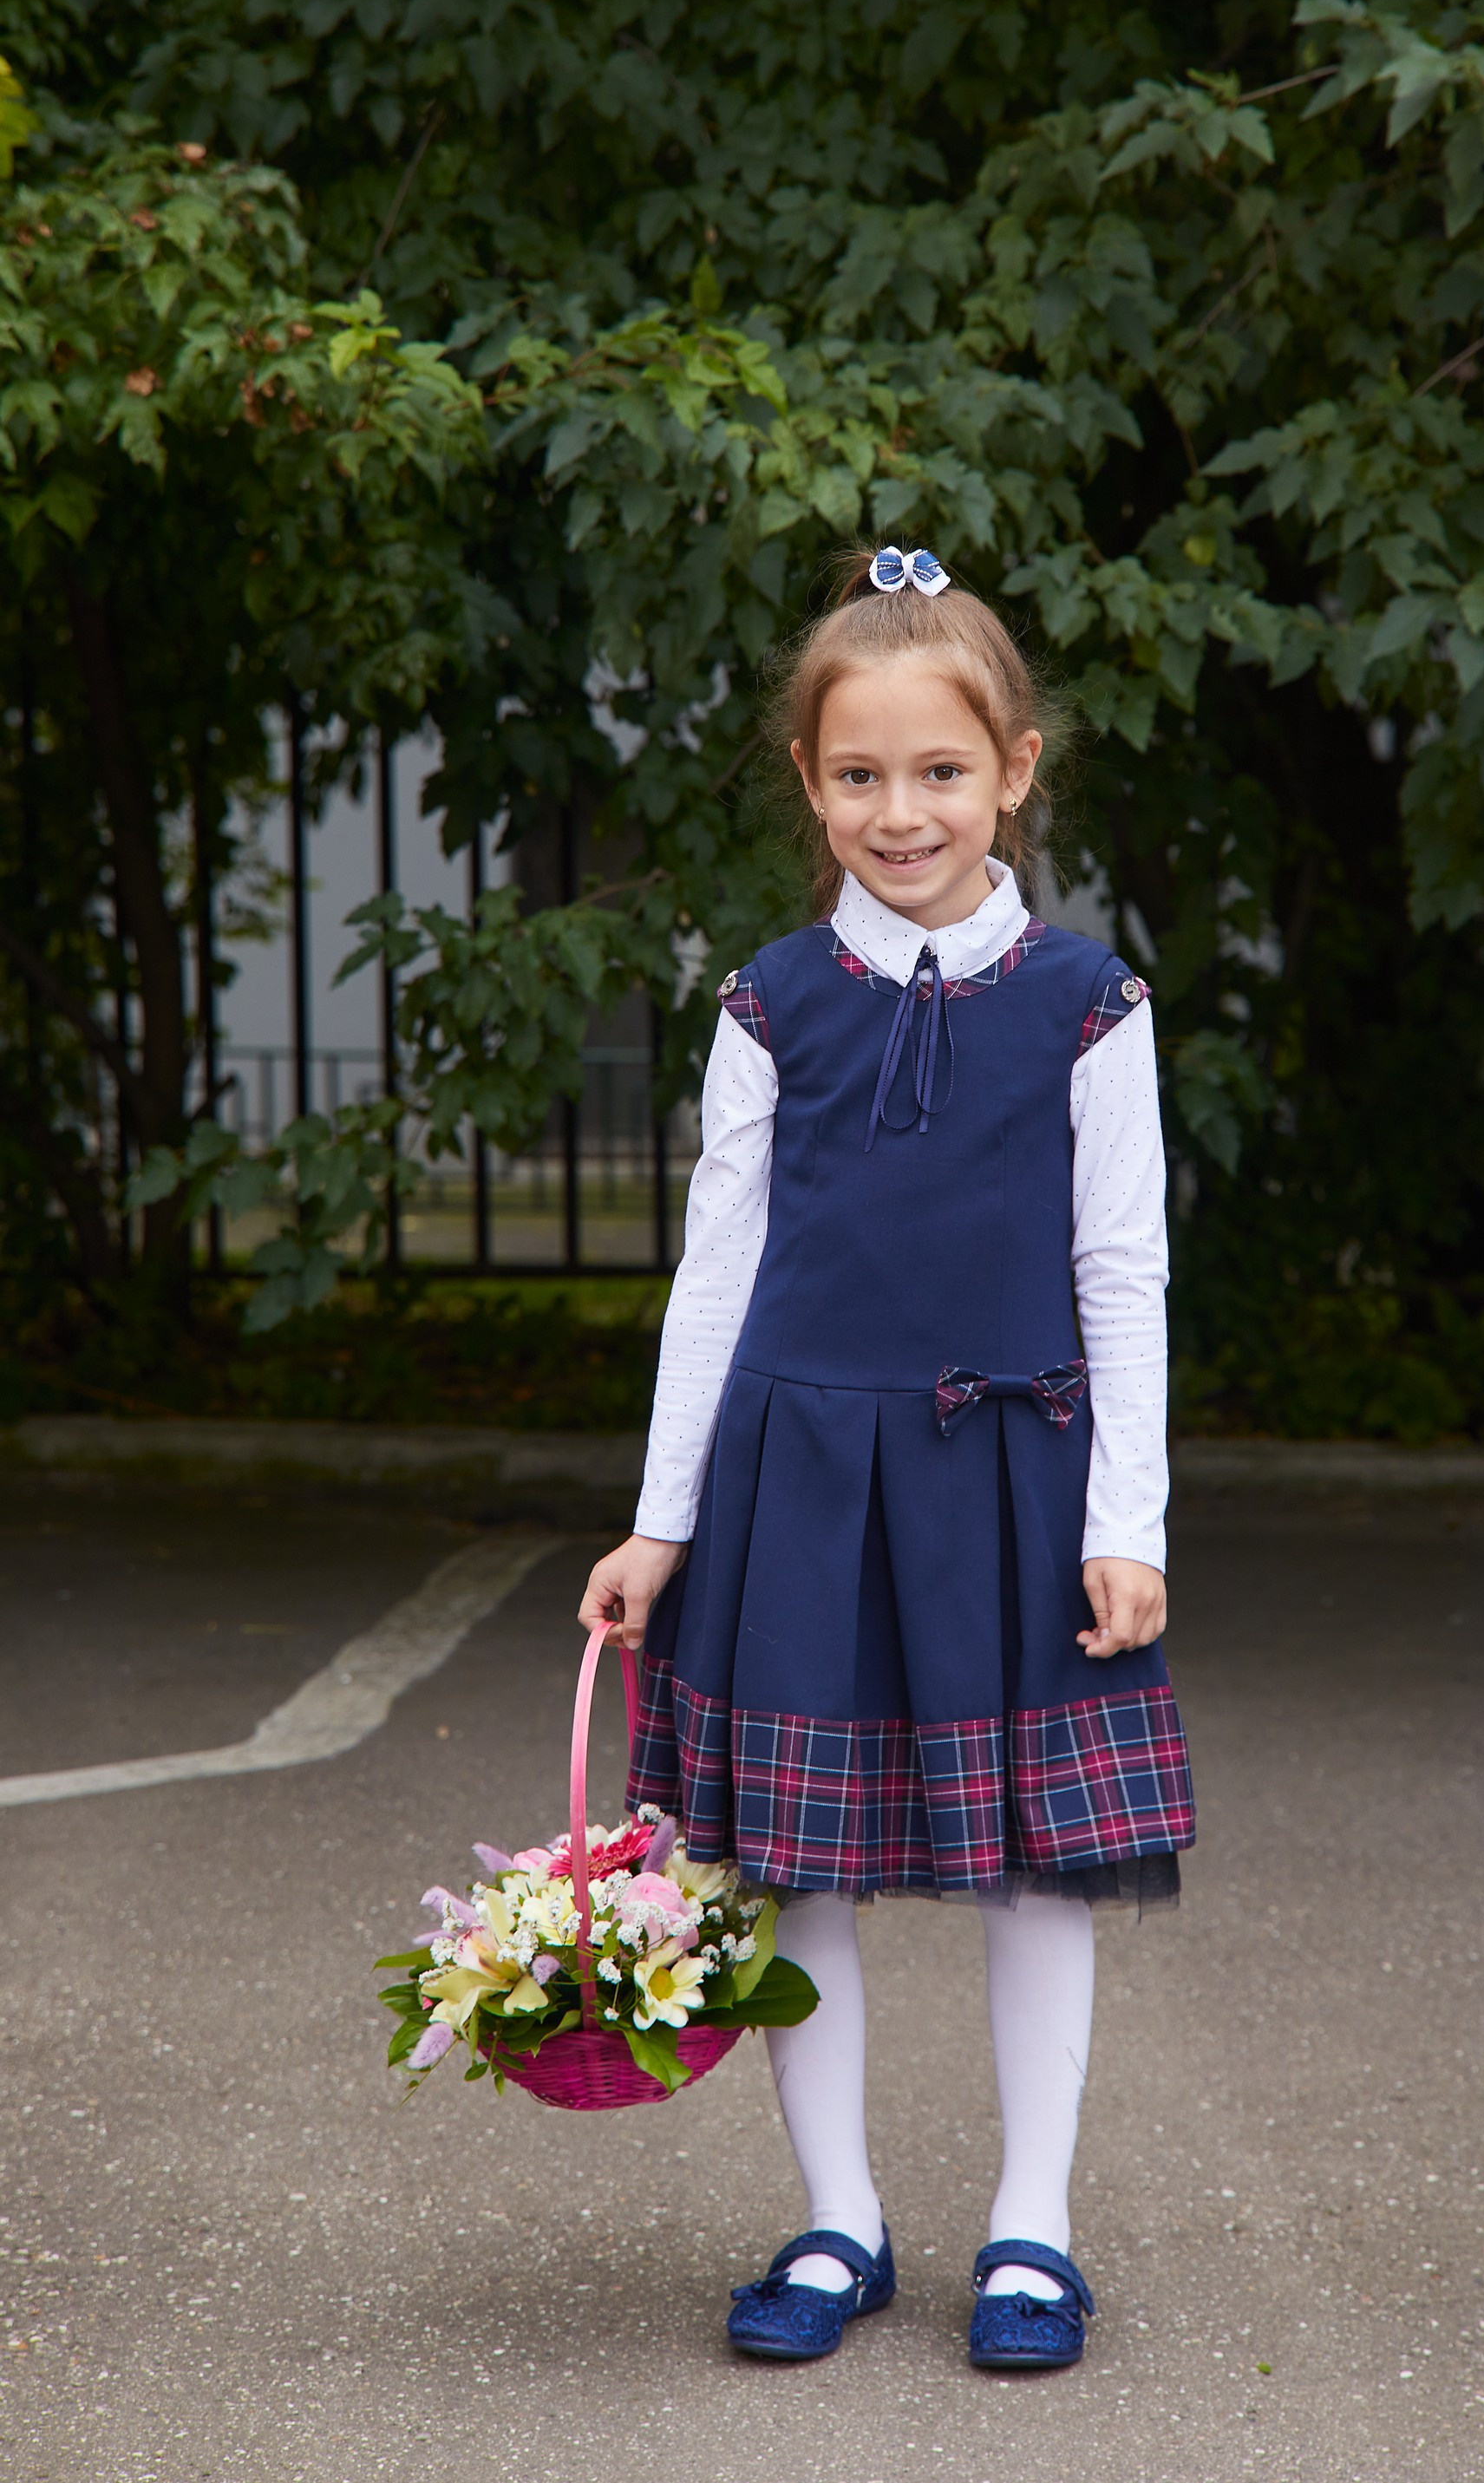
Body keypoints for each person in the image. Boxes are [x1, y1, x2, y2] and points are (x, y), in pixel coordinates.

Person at [579, 542, 1193, 2372]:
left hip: (1017, 1479)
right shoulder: (772, 1000)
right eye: (859, 773)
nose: (899, 809)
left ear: (1012, 768)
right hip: (803, 1491)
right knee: (797, 1868)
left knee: (1037, 1870)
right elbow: (716, 1269)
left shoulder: (1090, 1003)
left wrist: (1128, 1517)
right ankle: (838, 2216)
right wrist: (661, 1520)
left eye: (939, 769)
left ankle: (1032, 2228)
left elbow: (1121, 1268)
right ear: (807, 783)